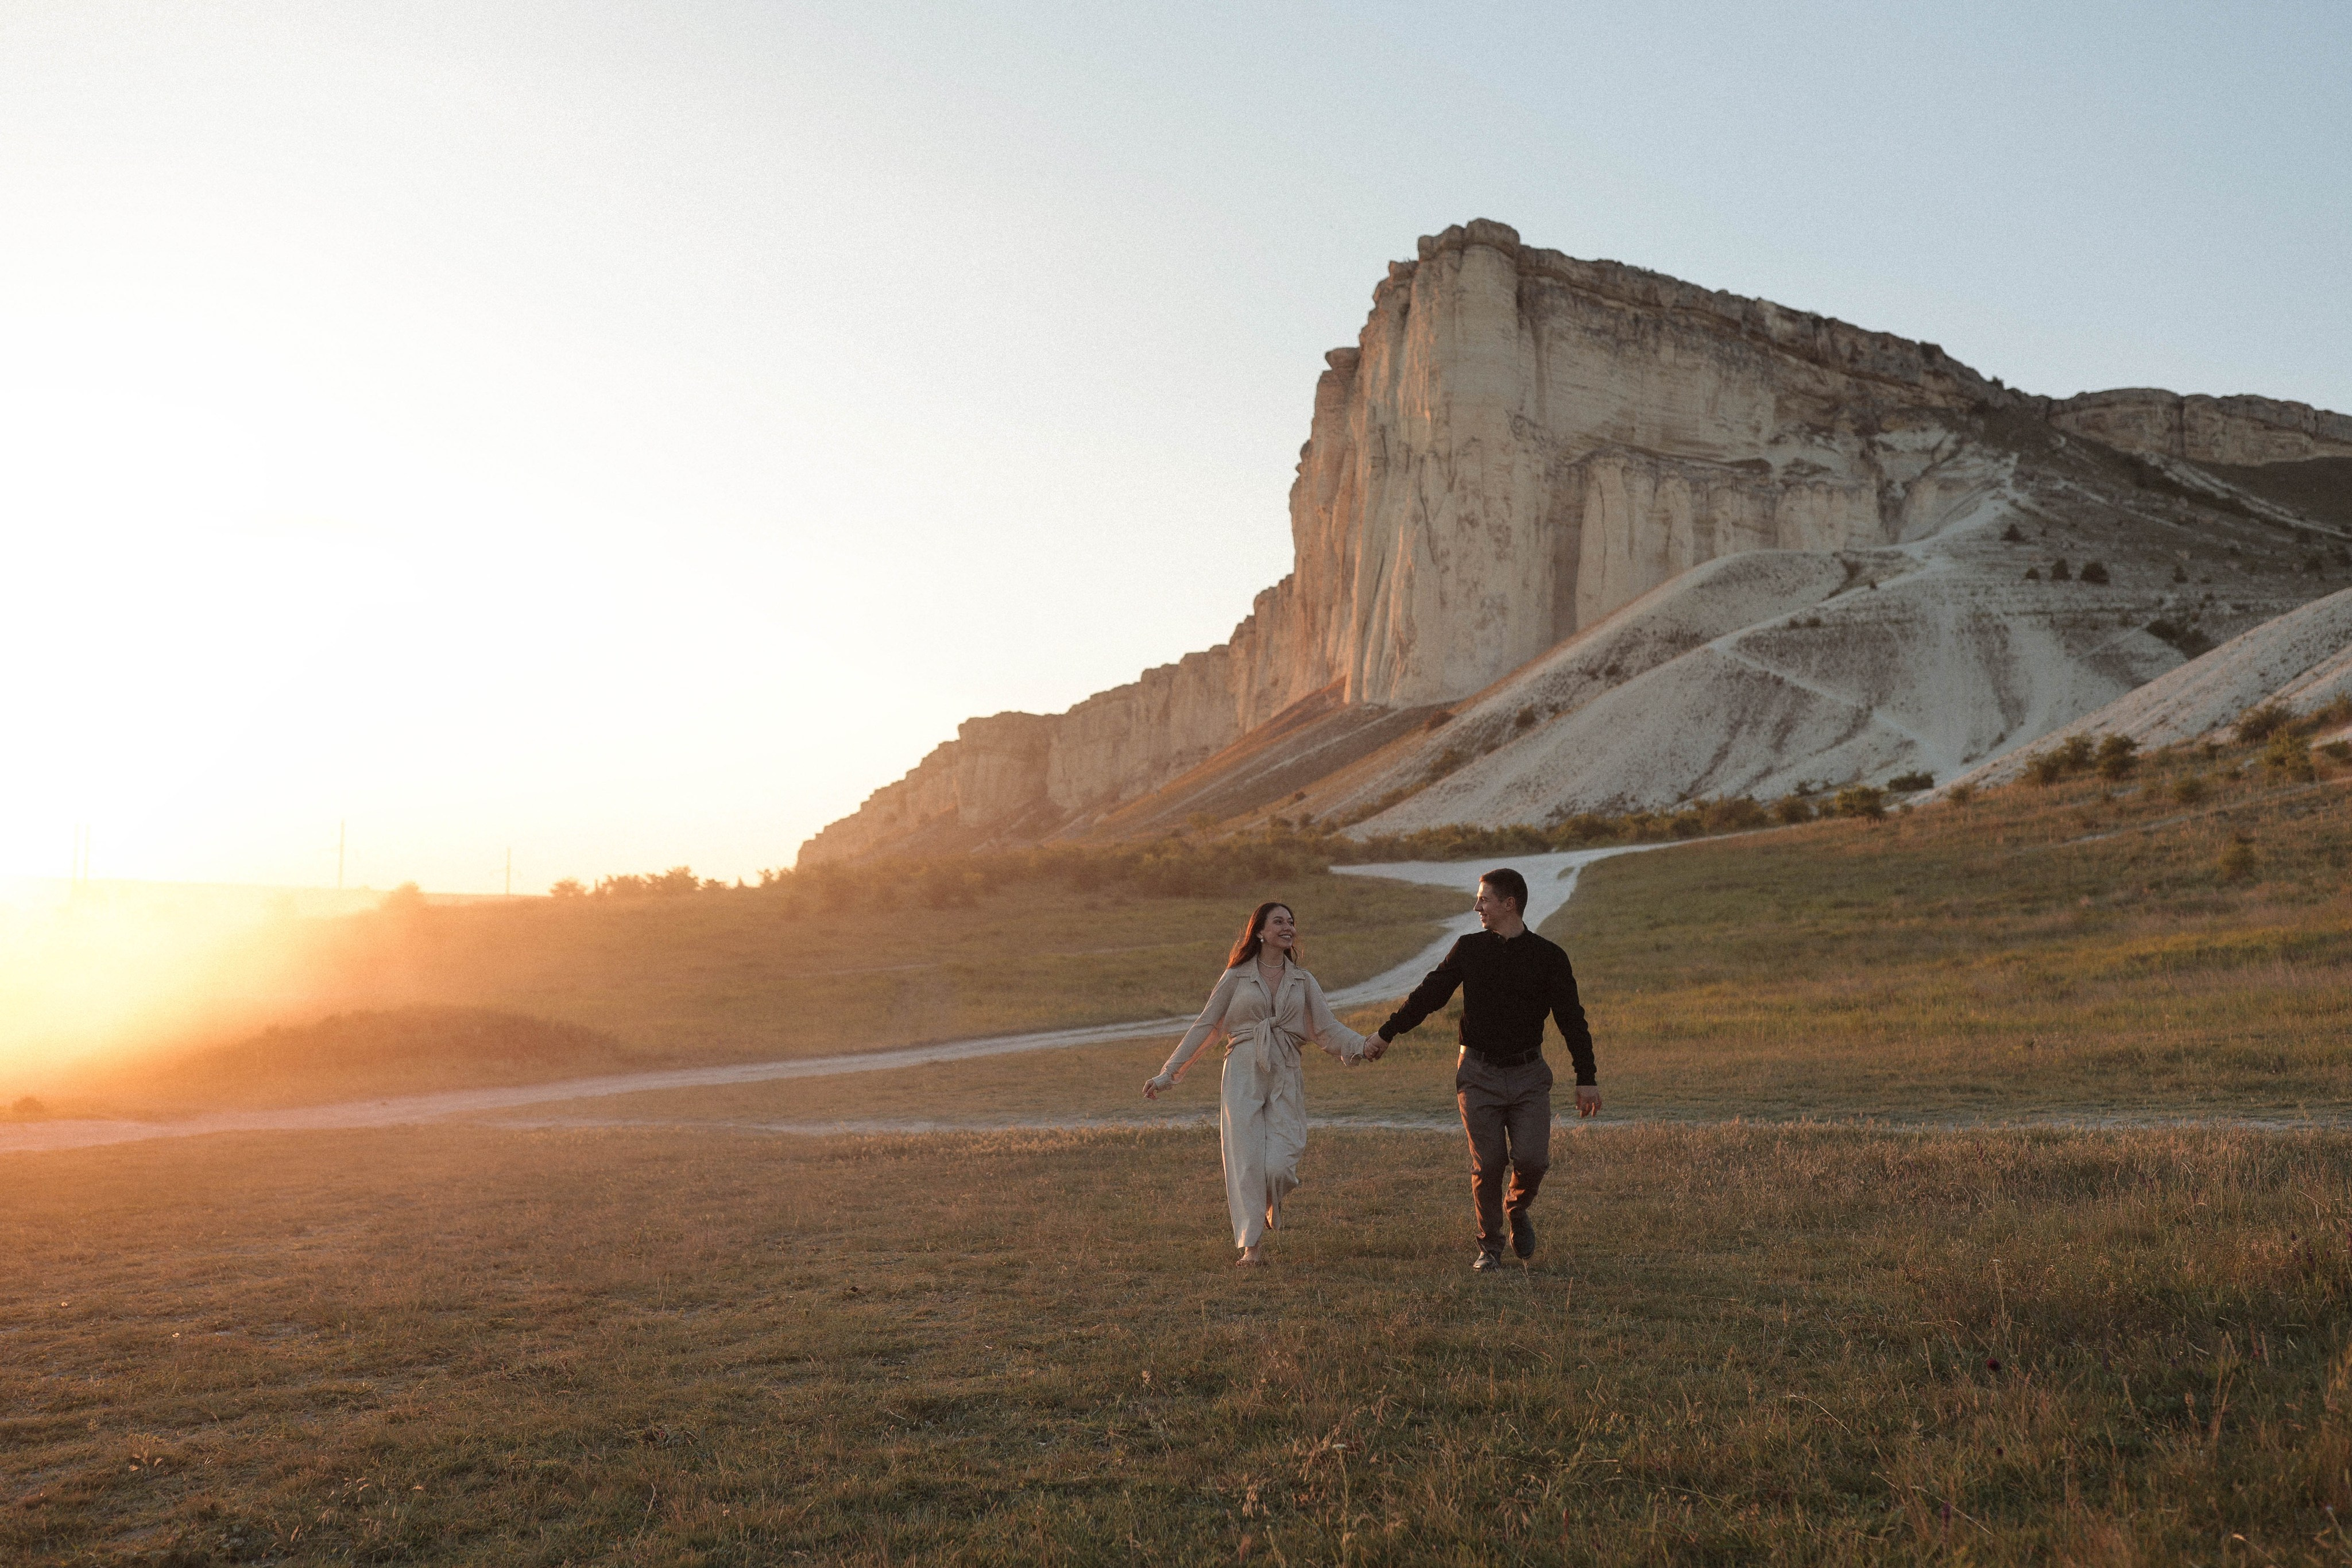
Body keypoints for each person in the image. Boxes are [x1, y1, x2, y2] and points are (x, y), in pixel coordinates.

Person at [1363, 866, 1599, 1271]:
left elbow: (1572, 1020)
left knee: (1533, 1160)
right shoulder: (1469, 949)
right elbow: (1430, 994)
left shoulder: (1549, 957)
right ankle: (1490, 1246)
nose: (1477, 907)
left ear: (1509, 904)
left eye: (1484, 899)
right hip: (1478, 1072)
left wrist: (1587, 1077)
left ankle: (1517, 1207)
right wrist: (1388, 1032)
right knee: (1488, 1163)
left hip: (1528, 1074)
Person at [1144, 901, 1368, 1266]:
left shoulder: (1303, 980)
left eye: (1291, 922)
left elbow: (1326, 1029)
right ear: (1260, 932)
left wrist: (1362, 1045)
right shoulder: (1236, 977)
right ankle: (1252, 1247)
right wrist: (1169, 1073)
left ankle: (1265, 1204)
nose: (1288, 927)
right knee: (1246, 1161)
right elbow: (1206, 1026)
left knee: (1280, 1164)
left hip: (1286, 1069)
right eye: (1278, 921)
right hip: (1243, 1069)